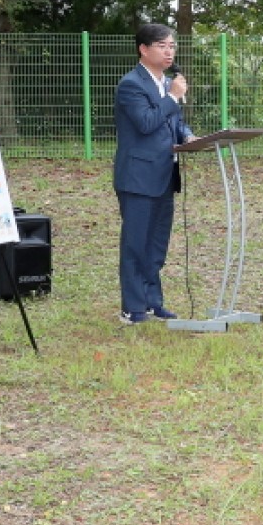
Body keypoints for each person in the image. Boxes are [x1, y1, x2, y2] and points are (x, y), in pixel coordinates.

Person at [113, 23, 193, 324]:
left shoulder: (168, 84)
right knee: (136, 243)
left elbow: (174, 123)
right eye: (162, 45)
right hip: (138, 177)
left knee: (157, 243)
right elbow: (146, 122)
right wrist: (172, 98)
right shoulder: (131, 85)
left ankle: (152, 301)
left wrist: (188, 137)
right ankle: (132, 307)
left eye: (172, 45)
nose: (169, 51)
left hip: (164, 175)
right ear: (144, 49)